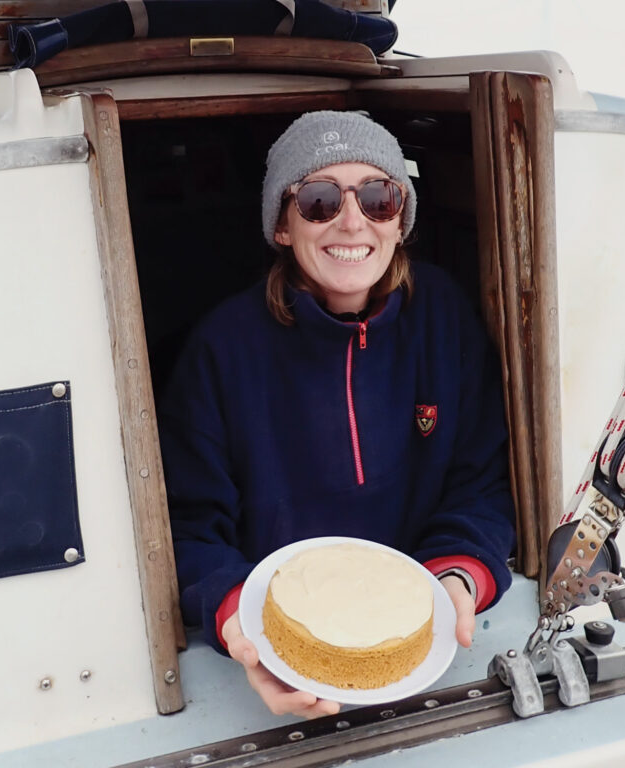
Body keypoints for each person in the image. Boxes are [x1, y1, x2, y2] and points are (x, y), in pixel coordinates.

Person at [159, 110, 515, 718]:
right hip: (277, 655)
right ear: (281, 225)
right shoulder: (221, 349)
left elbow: (482, 483)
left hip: (424, 656)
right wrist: (245, 631)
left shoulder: (443, 319)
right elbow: (190, 531)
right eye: (320, 200)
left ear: (400, 219)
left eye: (378, 197)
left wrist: (456, 578)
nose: (353, 220)